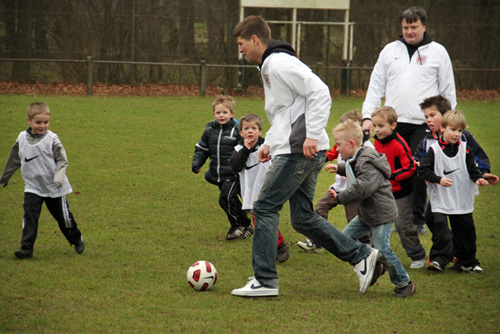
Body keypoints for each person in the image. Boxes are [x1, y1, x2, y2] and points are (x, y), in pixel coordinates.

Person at [230, 16, 379, 298]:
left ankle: (264, 281)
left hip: (301, 150)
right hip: (301, 148)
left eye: (241, 44)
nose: (240, 51)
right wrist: (270, 143)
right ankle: (361, 256)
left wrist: (311, 134)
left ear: (254, 40)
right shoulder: (270, 65)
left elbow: (319, 92)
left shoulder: (278, 63)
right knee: (302, 217)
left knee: (263, 207)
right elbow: (286, 112)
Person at [361, 7, 457, 236]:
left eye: (414, 27)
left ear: (424, 26)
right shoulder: (389, 51)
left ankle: (416, 220)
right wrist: (367, 117)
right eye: (406, 27)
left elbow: (447, 90)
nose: (410, 31)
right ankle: (392, 215)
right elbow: (375, 85)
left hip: (424, 124)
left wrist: (448, 122)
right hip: (393, 123)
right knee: (390, 170)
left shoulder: (438, 52)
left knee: (416, 170)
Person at [328, 119, 416, 298]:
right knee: (343, 239)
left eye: (339, 145)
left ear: (351, 143)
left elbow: (363, 187)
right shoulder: (357, 157)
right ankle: (373, 264)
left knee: (382, 250)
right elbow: (353, 169)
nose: (336, 149)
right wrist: (340, 168)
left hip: (380, 214)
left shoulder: (366, 161)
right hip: (367, 213)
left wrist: (341, 198)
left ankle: (404, 282)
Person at [414, 96, 498, 272]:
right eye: (426, 116)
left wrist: (482, 174)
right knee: (434, 220)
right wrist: (418, 166)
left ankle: (465, 257)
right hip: (440, 192)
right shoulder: (428, 141)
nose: (428, 119)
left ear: (445, 116)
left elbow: (477, 159)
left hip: (460, 193)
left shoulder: (464, 140)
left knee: (462, 225)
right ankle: (443, 255)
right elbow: (419, 162)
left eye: (432, 115)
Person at [0, 102, 85, 259]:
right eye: (38, 122)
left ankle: (76, 238)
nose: (42, 126)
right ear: (29, 120)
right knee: (29, 216)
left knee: (64, 219)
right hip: (33, 187)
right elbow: (14, 159)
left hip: (54, 187)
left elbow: (62, 160)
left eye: (46, 122)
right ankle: (26, 249)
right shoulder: (21, 138)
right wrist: (4, 177)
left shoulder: (52, 139)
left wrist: (59, 178)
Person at [297, 110, 373, 253]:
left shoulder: (367, 148)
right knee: (321, 207)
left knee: (354, 220)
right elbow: (331, 154)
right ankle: (316, 242)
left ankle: (367, 248)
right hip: (338, 187)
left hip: (353, 191)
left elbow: (368, 173)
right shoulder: (341, 144)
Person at [371, 106, 427, 269]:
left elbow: (410, 167)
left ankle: (417, 254)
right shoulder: (376, 140)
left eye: (381, 126)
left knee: (403, 226)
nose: (377, 130)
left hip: (401, 193)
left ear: (393, 126)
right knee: (375, 222)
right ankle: (377, 254)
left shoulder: (399, 144)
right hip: (381, 191)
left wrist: (392, 176)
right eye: (375, 126)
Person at [230, 113, 289, 263]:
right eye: (246, 128)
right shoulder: (238, 149)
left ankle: (279, 245)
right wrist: (245, 149)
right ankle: (273, 246)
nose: (250, 131)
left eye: (254, 128)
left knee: (264, 219)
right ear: (241, 133)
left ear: (260, 131)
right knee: (260, 221)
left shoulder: (267, 147)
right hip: (250, 191)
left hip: (266, 189)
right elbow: (235, 166)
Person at [192, 95, 252, 241]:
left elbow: (246, 151)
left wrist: (241, 170)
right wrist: (197, 164)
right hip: (218, 174)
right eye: (218, 113)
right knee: (233, 201)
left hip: (233, 174)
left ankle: (236, 227)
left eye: (225, 112)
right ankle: (246, 225)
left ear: (232, 114)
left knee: (225, 198)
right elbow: (202, 149)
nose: (221, 115)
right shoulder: (209, 131)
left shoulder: (238, 131)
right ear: (214, 114)